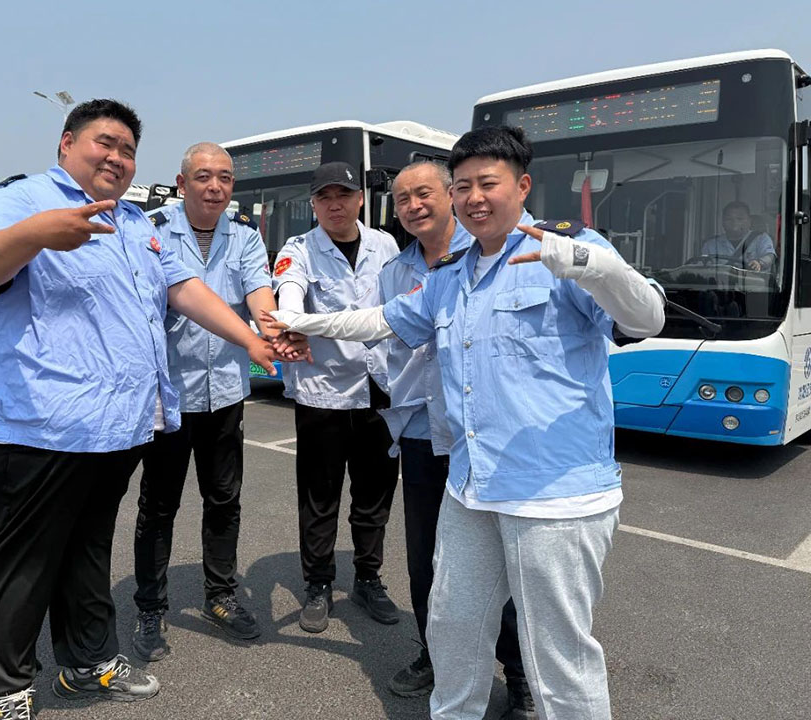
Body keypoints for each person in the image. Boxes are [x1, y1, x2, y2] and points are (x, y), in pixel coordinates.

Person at [265, 126, 665, 720]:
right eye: (463, 186)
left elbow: (647, 318)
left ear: (522, 186)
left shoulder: (569, 248)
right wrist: (301, 322)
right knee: (452, 627)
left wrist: (593, 267)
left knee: (558, 655)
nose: (475, 197)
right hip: (471, 485)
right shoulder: (450, 276)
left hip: (552, 494)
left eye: (488, 183)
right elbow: (377, 320)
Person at [0, 99, 279, 720]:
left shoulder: (134, 222)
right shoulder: (21, 200)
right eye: (105, 143)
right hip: (36, 427)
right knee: (21, 563)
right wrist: (35, 235)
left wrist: (252, 340)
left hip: (113, 429)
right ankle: (7, 691)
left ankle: (87, 663)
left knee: (88, 550)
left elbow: (184, 288)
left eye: (128, 150)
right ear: (67, 142)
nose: (117, 157)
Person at [380, 161, 534, 718]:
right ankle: (435, 656)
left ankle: (518, 674)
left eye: (424, 193)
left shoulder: (495, 250)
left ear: (450, 195)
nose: (414, 206)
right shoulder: (395, 271)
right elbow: (381, 337)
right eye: (402, 199)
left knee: (504, 567)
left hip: (488, 439)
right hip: (422, 433)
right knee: (426, 563)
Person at [131, 142, 281, 661]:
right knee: (158, 505)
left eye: (224, 178)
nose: (215, 187)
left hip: (226, 394)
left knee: (224, 500)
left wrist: (272, 331)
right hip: (171, 397)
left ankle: (220, 594)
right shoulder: (153, 232)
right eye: (203, 176)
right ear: (182, 183)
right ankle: (150, 607)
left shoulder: (244, 236)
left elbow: (259, 291)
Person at [272, 161, 401, 634]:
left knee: (375, 494)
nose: (334, 205)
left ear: (360, 199)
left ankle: (368, 577)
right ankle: (318, 584)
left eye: (343, 195)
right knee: (319, 497)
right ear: (313, 204)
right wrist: (291, 320)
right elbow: (288, 291)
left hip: (380, 389)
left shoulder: (386, 245)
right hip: (322, 393)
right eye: (324, 197)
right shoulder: (299, 248)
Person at [699, 200, 775, 271]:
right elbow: (702, 268)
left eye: (740, 219)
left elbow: (769, 257)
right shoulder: (711, 245)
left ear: (749, 221)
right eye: (729, 219)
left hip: (753, 281)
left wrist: (759, 263)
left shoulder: (761, 238)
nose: (734, 222)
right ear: (722, 222)